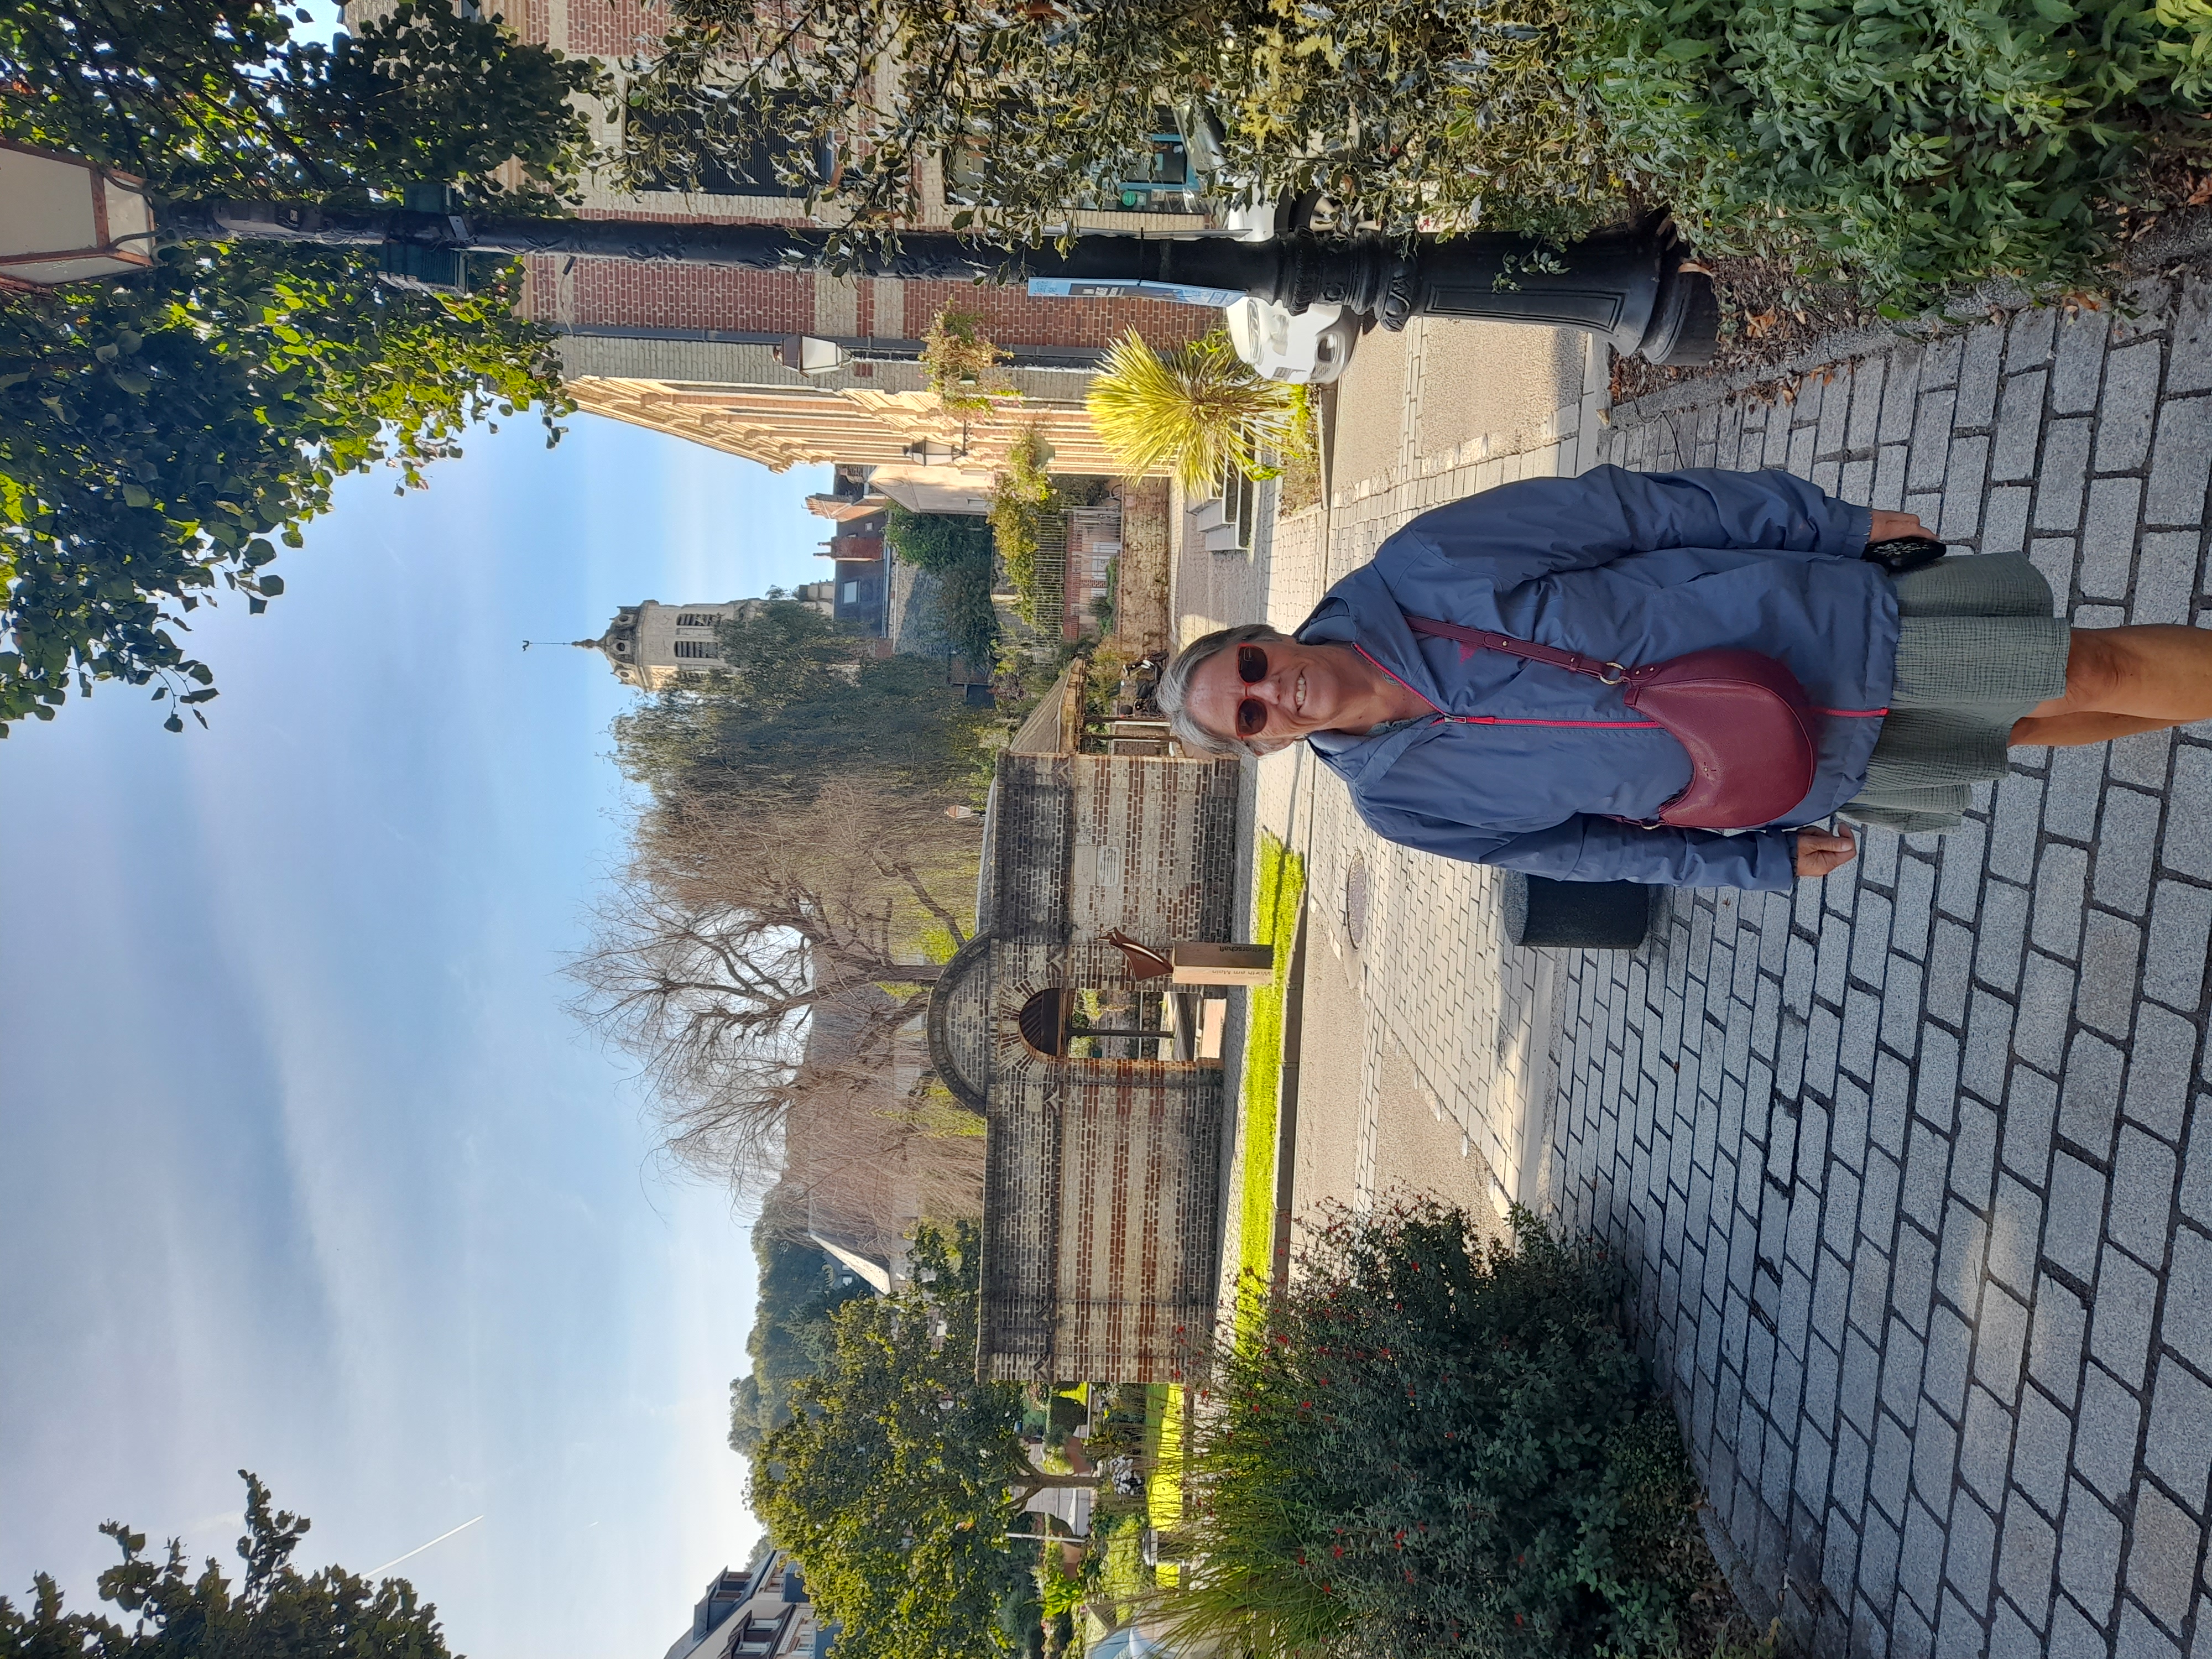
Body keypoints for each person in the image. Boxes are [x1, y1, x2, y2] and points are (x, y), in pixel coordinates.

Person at [1157, 466, 2212, 891]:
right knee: (2014, 731)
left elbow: (1630, 511)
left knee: (2083, 669)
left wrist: (1831, 524)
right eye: (1249, 716)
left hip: (1807, 629)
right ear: (1264, 745)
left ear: (1266, 636)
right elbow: (1584, 853)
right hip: (1780, 768)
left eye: (1252, 668)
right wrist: (1751, 864)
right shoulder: (1400, 806)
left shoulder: (1421, 567)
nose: (1271, 693)